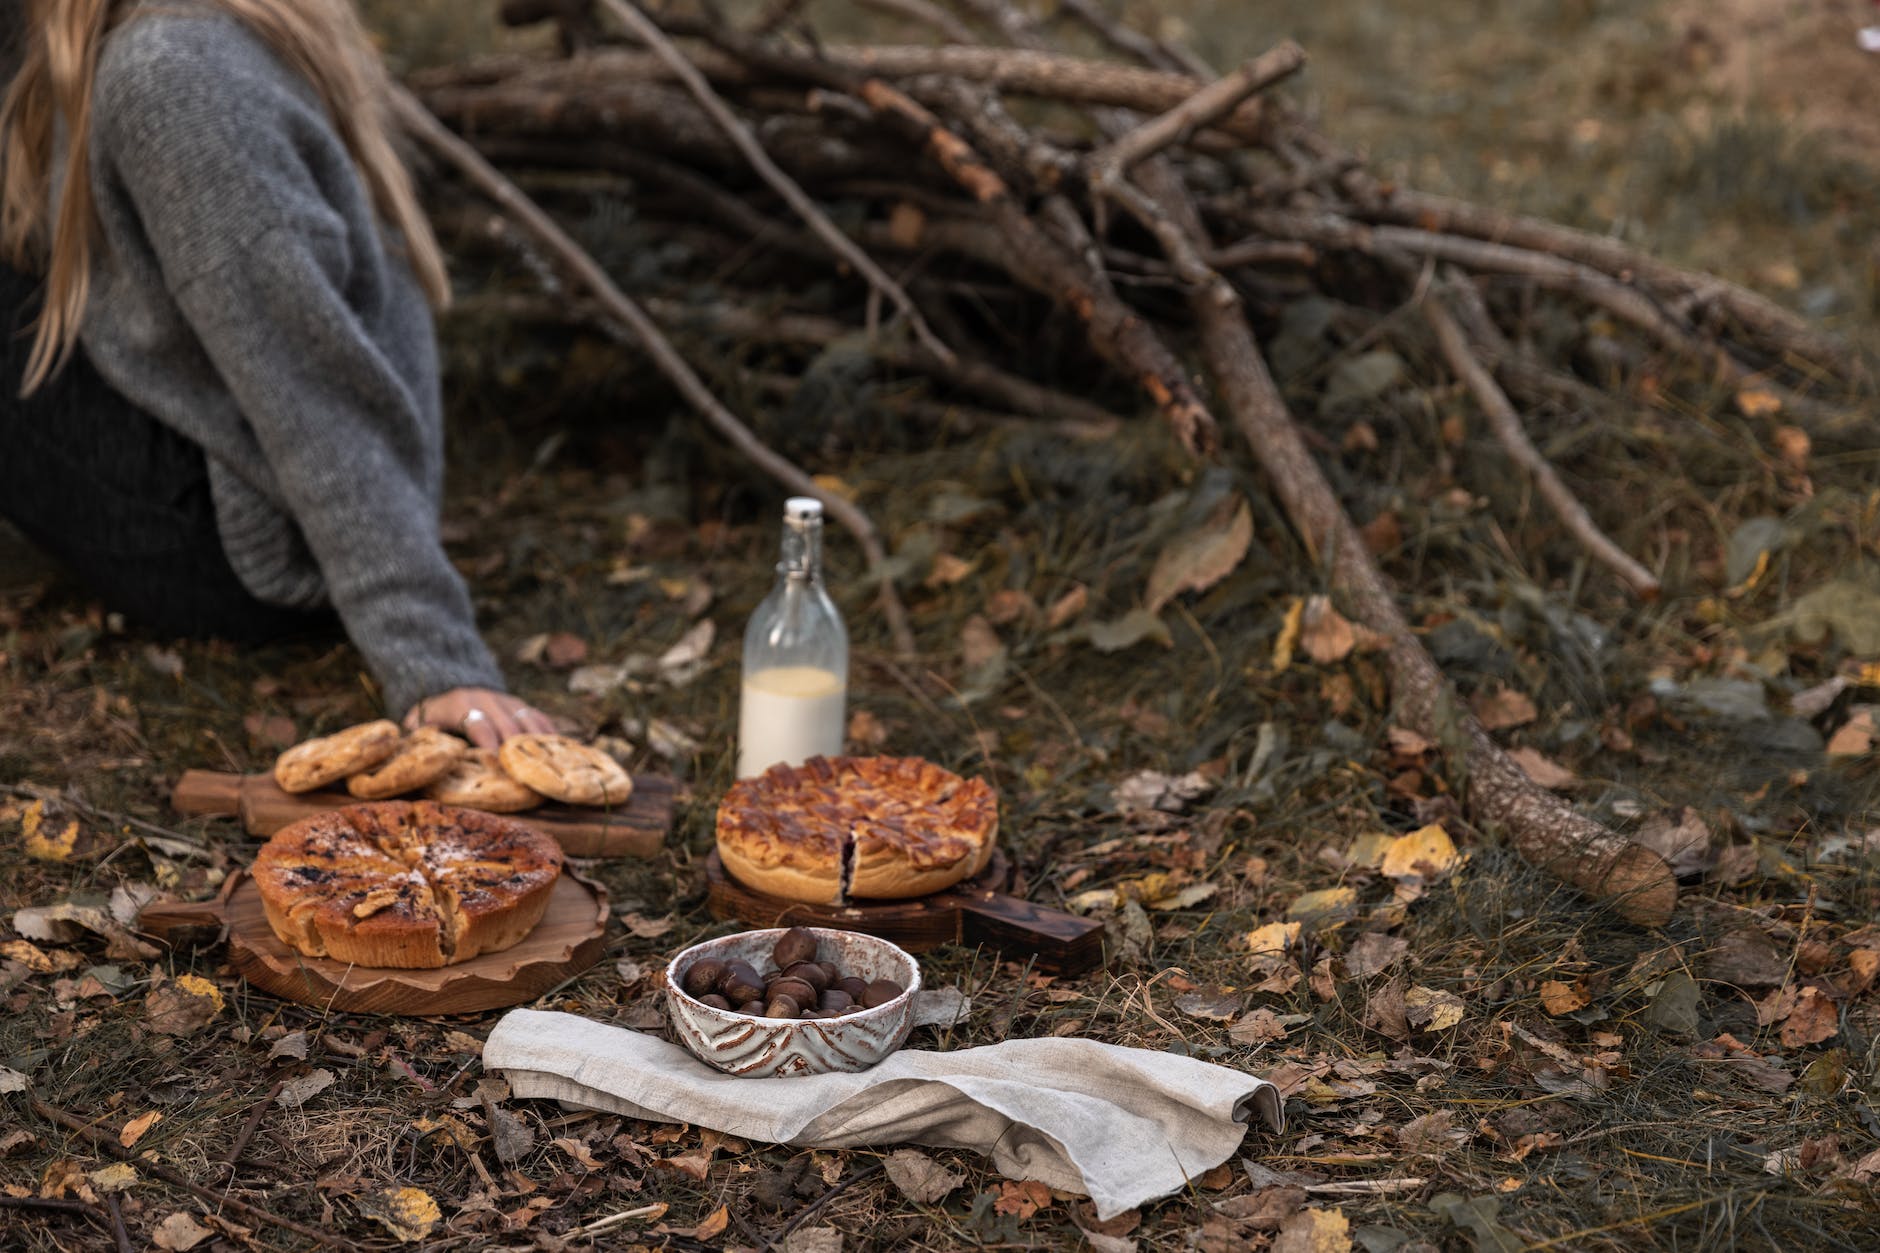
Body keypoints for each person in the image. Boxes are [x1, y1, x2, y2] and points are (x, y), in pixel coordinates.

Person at [0, 0, 553, 747]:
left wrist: (435, 660)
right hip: (247, 467)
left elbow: (310, 389)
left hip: (235, 549)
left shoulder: (170, 73)